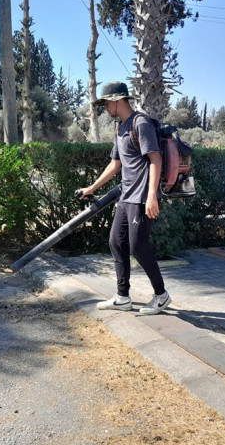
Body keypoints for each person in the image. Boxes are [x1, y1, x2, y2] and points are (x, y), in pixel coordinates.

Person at [78, 81, 171, 315]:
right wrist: (92, 187)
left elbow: (155, 160)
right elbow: (115, 164)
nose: (105, 108)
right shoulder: (121, 128)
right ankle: (122, 297)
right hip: (126, 195)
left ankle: (161, 296)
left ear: (118, 100)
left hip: (142, 197)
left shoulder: (141, 123)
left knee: (138, 246)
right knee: (116, 242)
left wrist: (152, 197)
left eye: (107, 103)